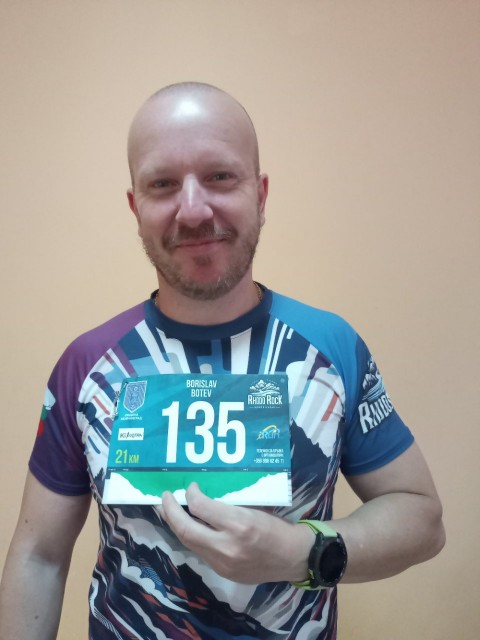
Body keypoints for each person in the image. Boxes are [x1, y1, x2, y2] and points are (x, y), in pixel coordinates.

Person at [0, 82, 445, 640]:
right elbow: (38, 556)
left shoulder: (331, 349)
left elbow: (421, 518)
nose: (192, 209)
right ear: (136, 207)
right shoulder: (87, 365)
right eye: (163, 184)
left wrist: (302, 552)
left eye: (219, 176)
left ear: (261, 195)